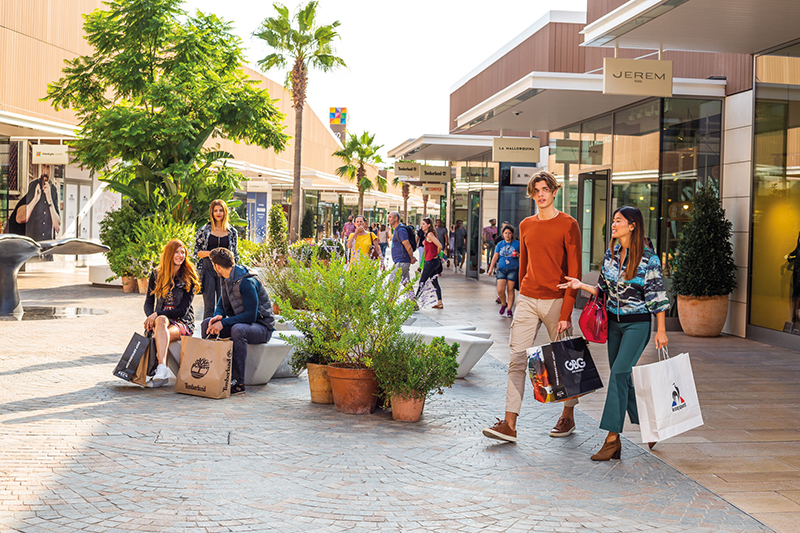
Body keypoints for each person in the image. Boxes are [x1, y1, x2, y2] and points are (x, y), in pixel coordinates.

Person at [557, 206, 669, 460]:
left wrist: (661, 331)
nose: (613, 224)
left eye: (619, 221)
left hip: (637, 325)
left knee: (618, 373)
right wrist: (579, 284)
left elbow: (657, 297)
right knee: (623, 378)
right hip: (614, 325)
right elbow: (602, 289)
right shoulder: (611, 255)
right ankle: (650, 425)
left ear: (633, 226)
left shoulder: (648, 259)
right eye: (613, 220)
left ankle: (611, 438)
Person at [482, 170, 581, 444]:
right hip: (527, 298)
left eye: (545, 189)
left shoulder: (568, 224)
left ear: (554, 191)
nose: (541, 194)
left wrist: (566, 313)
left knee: (563, 361)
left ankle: (567, 416)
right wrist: (521, 293)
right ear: (531, 193)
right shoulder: (525, 225)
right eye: (536, 190)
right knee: (517, 360)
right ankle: (509, 423)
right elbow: (523, 265)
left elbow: (575, 273)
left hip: (556, 300)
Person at [202, 247, 275, 396]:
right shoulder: (226, 279)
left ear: (217, 266)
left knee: (237, 330)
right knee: (206, 324)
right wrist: (217, 318)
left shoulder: (247, 282)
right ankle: (209, 374)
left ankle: (238, 382)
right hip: (242, 323)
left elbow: (250, 316)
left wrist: (224, 323)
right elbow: (221, 305)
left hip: (262, 327)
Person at [143, 239, 201, 388]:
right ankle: (163, 370)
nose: (180, 255)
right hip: (162, 321)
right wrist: (151, 318)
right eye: (177, 252)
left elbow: (182, 311)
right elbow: (148, 303)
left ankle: (160, 370)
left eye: (183, 252)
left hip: (182, 321)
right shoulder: (157, 274)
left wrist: (156, 316)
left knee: (161, 330)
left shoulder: (189, 277)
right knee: (161, 322)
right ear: (169, 254)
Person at [193, 200, 239, 320]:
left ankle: (222, 332)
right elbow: (197, 252)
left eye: (221, 210)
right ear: (212, 213)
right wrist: (213, 254)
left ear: (225, 212)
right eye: (215, 210)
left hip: (225, 271)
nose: (218, 213)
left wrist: (236, 273)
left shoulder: (232, 232)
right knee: (209, 305)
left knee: (224, 304)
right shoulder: (204, 230)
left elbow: (235, 254)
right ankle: (207, 333)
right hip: (208, 269)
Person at [16, 164, 61, 241]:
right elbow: (23, 217)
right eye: (44, 166)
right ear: (41, 167)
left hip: (48, 243)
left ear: (51, 168)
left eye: (48, 167)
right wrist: (35, 199)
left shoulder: (53, 189)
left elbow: (57, 227)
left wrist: (49, 200)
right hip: (33, 242)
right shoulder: (33, 185)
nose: (45, 171)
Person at [487, 225, 520, 318]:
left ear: (512, 234)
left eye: (509, 233)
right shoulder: (500, 244)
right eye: (506, 233)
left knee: (510, 290)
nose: (508, 235)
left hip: (513, 269)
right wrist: (491, 268)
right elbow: (495, 256)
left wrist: (518, 254)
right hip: (501, 269)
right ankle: (504, 303)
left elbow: (524, 256)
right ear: (503, 234)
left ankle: (509, 309)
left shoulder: (517, 244)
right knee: (500, 290)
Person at [416, 218, 444, 309]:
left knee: (422, 282)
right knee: (435, 282)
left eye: (424, 224)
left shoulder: (430, 234)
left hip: (431, 261)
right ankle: (440, 303)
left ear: (428, 225)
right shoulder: (427, 235)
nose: (422, 225)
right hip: (432, 261)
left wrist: (437, 254)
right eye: (422, 224)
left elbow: (439, 245)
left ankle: (415, 303)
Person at [387, 211, 417, 286]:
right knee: (406, 284)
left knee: (391, 283)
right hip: (400, 261)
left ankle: (390, 298)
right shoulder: (397, 229)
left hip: (402, 262)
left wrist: (411, 257)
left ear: (396, 218)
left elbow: (408, 246)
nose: (388, 219)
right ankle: (413, 298)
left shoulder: (401, 230)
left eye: (390, 217)